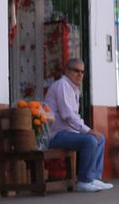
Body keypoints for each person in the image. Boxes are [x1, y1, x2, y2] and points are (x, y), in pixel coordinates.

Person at [44, 59, 112, 193]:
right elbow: (68, 116)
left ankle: (94, 178)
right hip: (56, 134)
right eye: (76, 71)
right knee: (90, 140)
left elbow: (75, 117)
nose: (80, 74)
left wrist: (88, 131)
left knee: (100, 138)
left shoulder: (73, 89)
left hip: (68, 133)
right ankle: (84, 181)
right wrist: (88, 131)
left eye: (82, 71)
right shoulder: (62, 85)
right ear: (67, 71)